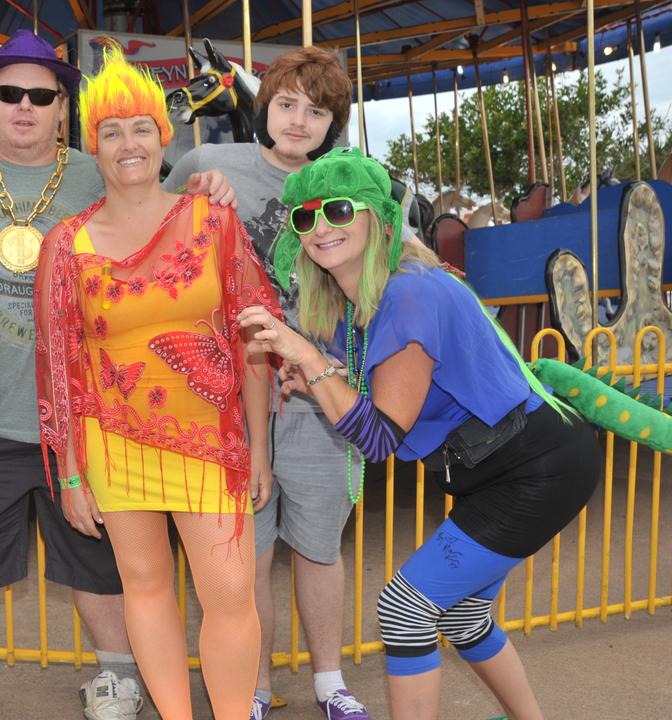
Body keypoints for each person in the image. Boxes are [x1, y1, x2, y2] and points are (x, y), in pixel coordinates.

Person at [0, 30, 233, 720]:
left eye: (42, 95)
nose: (25, 107)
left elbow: (172, 207)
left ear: (64, 107)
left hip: (95, 416)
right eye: (11, 94)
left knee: (103, 561)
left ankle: (118, 675)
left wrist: (208, 181)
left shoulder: (100, 169)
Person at [238, 146, 602, 720]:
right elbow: (365, 398)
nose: (320, 227)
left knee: (405, 609)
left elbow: (378, 437)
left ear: (378, 219)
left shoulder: (410, 290)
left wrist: (306, 356)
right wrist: (315, 378)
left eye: (338, 210)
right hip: (497, 466)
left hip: (535, 465)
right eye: (305, 217)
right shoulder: (355, 299)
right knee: (460, 615)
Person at [34, 46, 280, 720]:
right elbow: (58, 362)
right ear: (93, 147)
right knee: (144, 587)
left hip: (211, 438)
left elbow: (252, 340)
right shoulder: (68, 243)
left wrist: (260, 448)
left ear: (163, 135)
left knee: (230, 589)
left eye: (140, 126)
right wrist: (71, 473)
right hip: (111, 443)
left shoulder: (213, 221)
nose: (128, 143)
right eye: (110, 131)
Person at [163, 46, 372, 720]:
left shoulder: (352, 178)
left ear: (333, 123)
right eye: (287, 104)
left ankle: (329, 681)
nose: (299, 121)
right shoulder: (207, 164)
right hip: (226, 393)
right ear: (265, 106)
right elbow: (154, 249)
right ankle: (249, 689)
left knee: (317, 546)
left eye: (317, 112)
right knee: (243, 558)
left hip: (317, 389)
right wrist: (192, 202)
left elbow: (382, 271)